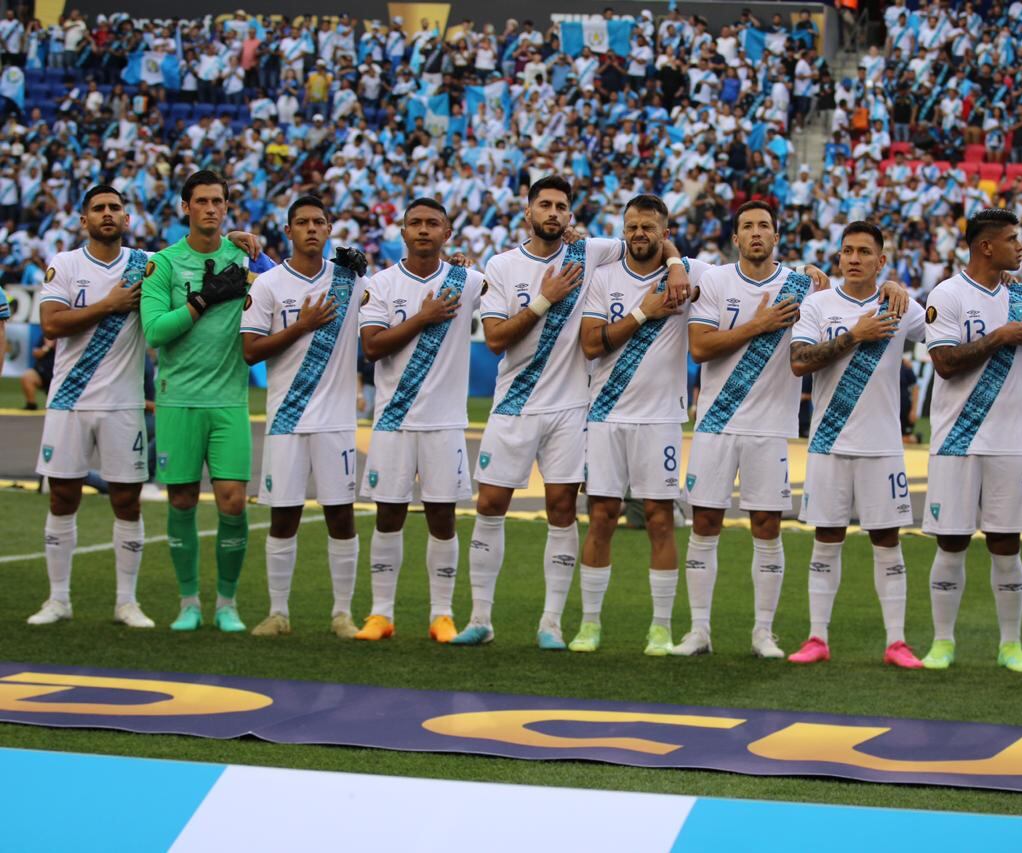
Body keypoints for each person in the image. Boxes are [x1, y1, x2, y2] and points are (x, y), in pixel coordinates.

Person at [453, 175, 690, 648]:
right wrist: (546, 299)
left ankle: (551, 624)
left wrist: (678, 263)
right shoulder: (503, 265)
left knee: (563, 510)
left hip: (571, 408)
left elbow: (650, 237)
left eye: (561, 206)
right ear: (528, 212)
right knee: (490, 505)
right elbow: (495, 339)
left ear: (570, 215)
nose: (553, 213)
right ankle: (480, 618)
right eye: (545, 205)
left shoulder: (591, 252)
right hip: (514, 403)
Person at [673, 202, 902, 657]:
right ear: (735, 238)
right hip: (716, 421)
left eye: (764, 226)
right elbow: (699, 348)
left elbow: (853, 291)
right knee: (704, 523)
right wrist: (758, 324)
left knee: (767, 527)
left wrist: (892, 283)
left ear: (776, 237)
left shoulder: (804, 286)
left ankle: (764, 632)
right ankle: (699, 630)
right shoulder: (715, 280)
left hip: (771, 425)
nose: (756, 232)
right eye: (747, 226)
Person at [569, 193, 708, 654]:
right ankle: (590, 624)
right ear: (623, 230)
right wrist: (644, 312)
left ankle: (661, 627)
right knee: (601, 518)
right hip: (605, 414)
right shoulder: (604, 277)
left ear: (665, 234)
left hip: (660, 418)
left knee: (660, 520)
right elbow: (591, 345)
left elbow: (748, 275)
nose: (639, 234)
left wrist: (810, 273)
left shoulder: (692, 274)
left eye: (648, 227)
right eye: (632, 226)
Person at [787, 220, 926, 668]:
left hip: (882, 445)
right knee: (827, 538)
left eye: (864, 252)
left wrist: (901, 288)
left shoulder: (899, 304)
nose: (854, 259)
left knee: (887, 540)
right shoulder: (818, 304)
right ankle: (817, 637)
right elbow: (798, 362)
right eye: (848, 251)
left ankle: (897, 642)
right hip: (828, 442)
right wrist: (854, 336)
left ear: (881, 261)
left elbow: (944, 327)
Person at [920, 208, 1022, 674]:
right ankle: (942, 642)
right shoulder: (948, 294)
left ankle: (1011, 645)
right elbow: (945, 363)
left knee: (1007, 543)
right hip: (957, 439)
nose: (1021, 246)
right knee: (951, 541)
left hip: (1011, 442)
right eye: (1013, 239)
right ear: (986, 247)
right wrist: (998, 337)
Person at [355, 197, 485, 643]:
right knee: (388, 514)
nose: (423, 229)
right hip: (393, 420)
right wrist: (423, 317)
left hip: (444, 423)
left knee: (442, 517)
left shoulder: (469, 282)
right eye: (415, 223)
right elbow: (372, 347)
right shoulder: (381, 284)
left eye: (433, 223)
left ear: (447, 233)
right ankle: (381, 614)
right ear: (403, 232)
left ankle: (442, 615)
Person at [140, 170, 265, 633]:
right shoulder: (164, 263)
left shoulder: (243, 257)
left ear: (227, 207)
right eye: (202, 201)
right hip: (177, 400)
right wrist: (200, 302)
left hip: (229, 399)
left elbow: (288, 283)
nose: (211, 208)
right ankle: (189, 602)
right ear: (185, 207)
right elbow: (154, 331)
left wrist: (257, 250)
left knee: (233, 502)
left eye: (218, 201)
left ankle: (227, 604)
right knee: (182, 500)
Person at [240, 195, 368, 639]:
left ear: (329, 228)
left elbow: (396, 294)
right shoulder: (269, 285)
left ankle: (342, 614)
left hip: (336, 422)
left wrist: (456, 263)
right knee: (283, 516)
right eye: (302, 222)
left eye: (319, 222)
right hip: (286, 419)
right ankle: (278, 613)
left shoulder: (350, 279)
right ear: (289, 230)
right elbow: (250, 350)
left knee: (341, 516)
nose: (311, 228)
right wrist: (301, 325)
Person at [27, 186, 153, 629]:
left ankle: (127, 602)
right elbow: (51, 324)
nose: (107, 213)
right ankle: (58, 599)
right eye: (98, 208)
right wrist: (109, 305)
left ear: (127, 218)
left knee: (127, 500)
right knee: (62, 496)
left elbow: (197, 254)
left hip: (123, 403)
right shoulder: (64, 264)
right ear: (84, 220)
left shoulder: (147, 263)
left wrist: (233, 238)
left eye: (115, 207)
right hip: (69, 400)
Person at [21, 338, 54, 410]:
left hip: (61, 375)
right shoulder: (48, 336)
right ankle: (31, 404)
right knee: (28, 376)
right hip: (43, 372)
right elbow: (36, 354)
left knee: (54, 408)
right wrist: (47, 347)